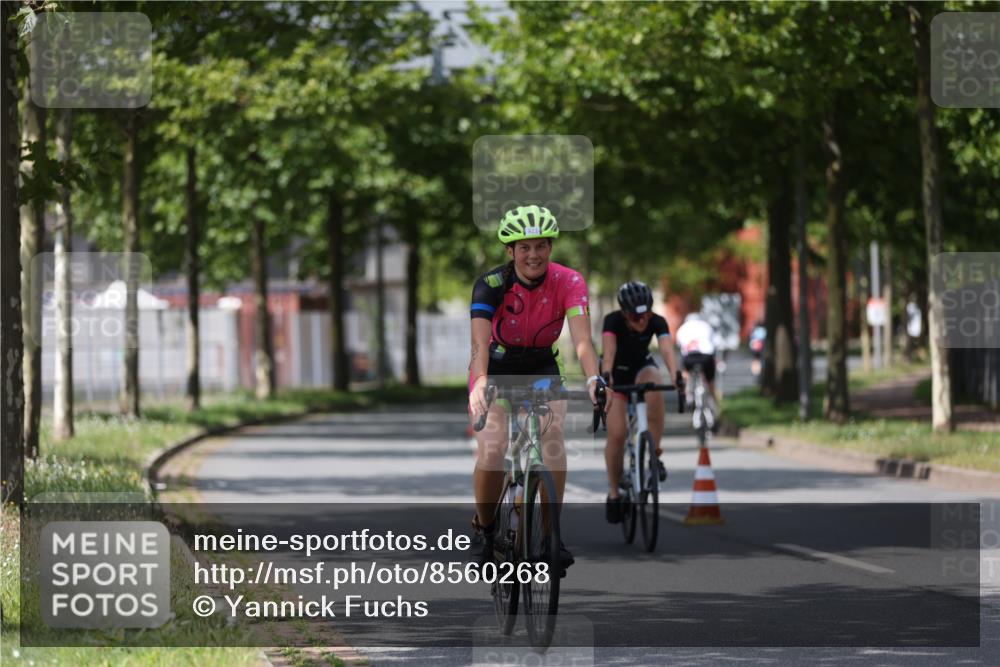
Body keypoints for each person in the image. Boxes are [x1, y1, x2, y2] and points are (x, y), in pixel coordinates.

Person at [468, 205, 609, 573]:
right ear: (510, 251)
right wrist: (480, 381)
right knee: (493, 449)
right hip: (495, 366)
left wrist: (594, 378)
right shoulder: (492, 284)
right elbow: (479, 345)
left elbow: (581, 342)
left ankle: (550, 536)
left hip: (542, 365)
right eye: (524, 247)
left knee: (552, 439)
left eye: (541, 246)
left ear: (550, 247)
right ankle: (484, 528)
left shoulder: (569, 282)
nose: (534, 255)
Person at [601, 281, 680, 524]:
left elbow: (666, 350)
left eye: (646, 314)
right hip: (615, 372)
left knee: (655, 382)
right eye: (636, 316)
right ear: (624, 313)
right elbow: (609, 352)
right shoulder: (613, 320)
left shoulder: (657, 321)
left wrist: (675, 374)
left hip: (641, 368)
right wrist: (606, 376)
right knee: (617, 435)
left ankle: (654, 452)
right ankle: (615, 492)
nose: (642, 320)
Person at [676, 312, 719, 404]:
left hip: (689, 357)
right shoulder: (706, 326)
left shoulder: (682, 328)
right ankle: (715, 403)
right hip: (706, 357)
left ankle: (688, 393)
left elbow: (680, 345)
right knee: (710, 380)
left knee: (685, 372)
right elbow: (715, 343)